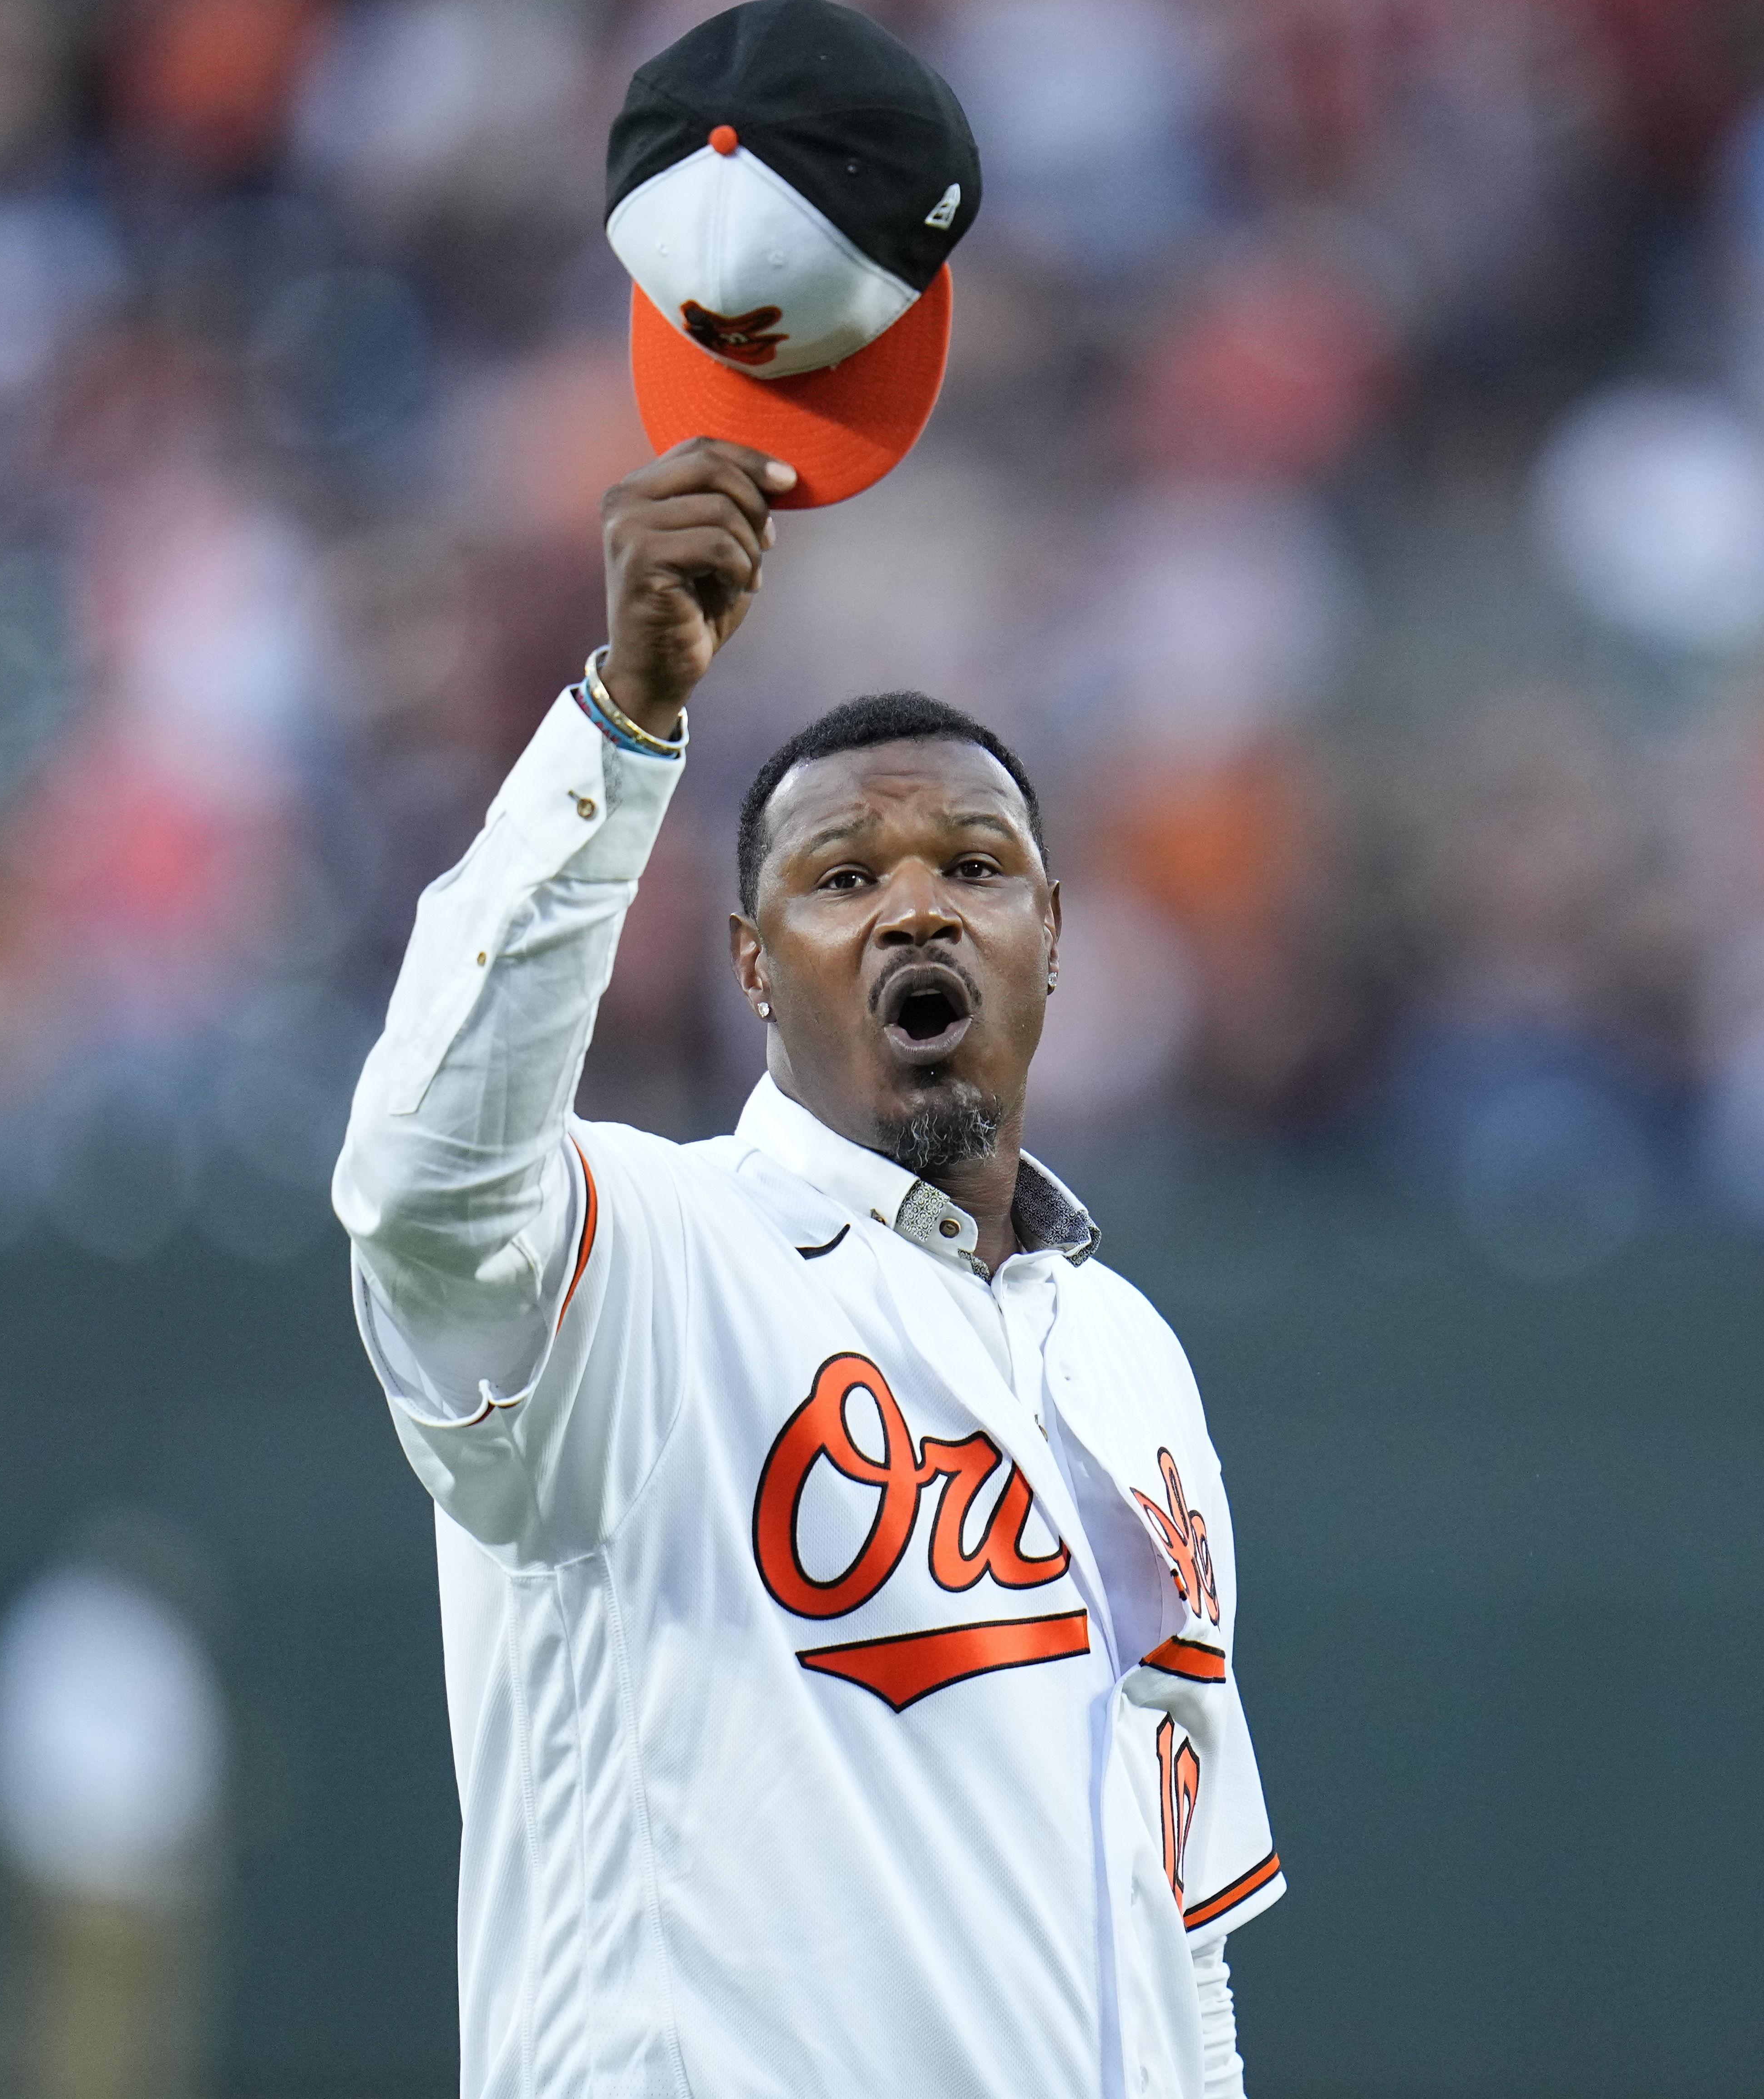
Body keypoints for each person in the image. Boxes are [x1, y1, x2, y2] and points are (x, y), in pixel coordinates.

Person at [333, 437, 1280, 2098]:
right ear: (752, 965)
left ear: (1051, 930)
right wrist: (620, 733)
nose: (917, 908)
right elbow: (424, 1188)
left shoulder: (1124, 1355)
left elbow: (1178, 1930)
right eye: (845, 877)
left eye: (972, 867)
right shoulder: (654, 1261)